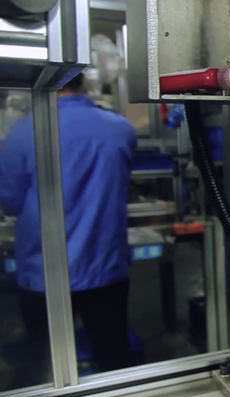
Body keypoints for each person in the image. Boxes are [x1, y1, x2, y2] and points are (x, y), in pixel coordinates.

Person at [0, 73, 136, 379]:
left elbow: (11, 201)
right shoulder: (119, 128)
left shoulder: (23, 132)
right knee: (113, 357)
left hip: (43, 273)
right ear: (83, 82)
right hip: (104, 267)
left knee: (49, 366)